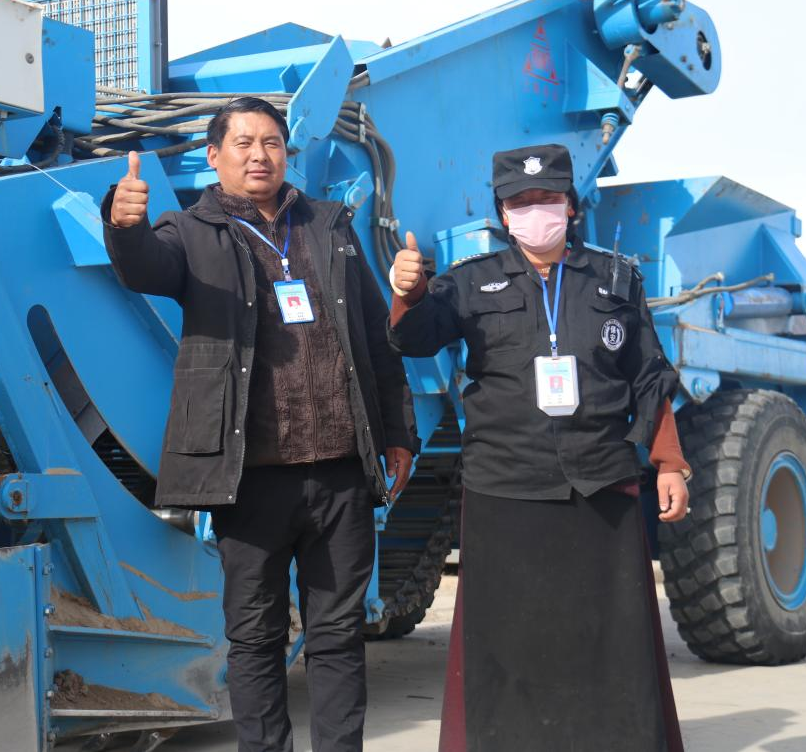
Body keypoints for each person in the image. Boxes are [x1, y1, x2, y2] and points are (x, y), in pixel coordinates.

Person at [102, 97, 418, 752]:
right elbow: (144, 267)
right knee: (254, 637)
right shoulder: (190, 232)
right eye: (242, 143)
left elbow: (374, 336)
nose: (258, 155)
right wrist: (123, 225)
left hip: (339, 472)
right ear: (213, 156)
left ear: (285, 153)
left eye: (271, 142)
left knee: (337, 635)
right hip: (250, 479)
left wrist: (398, 433)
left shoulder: (329, 226)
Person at [387, 143, 691, 752]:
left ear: (571, 207)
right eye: (520, 202)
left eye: (547, 199)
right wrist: (408, 291)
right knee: (510, 641)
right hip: (504, 486)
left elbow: (649, 375)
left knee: (610, 635)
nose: (535, 211)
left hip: (601, 483)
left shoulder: (617, 278)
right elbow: (413, 339)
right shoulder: (468, 281)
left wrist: (669, 462)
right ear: (503, 213)